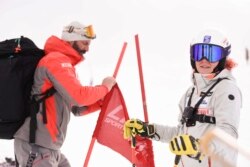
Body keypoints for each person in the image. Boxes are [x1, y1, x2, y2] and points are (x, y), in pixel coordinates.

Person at [123, 29, 242, 167]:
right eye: (199, 53)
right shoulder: (190, 93)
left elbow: (228, 133)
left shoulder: (226, 89)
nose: (204, 60)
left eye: (212, 54)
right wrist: (149, 129)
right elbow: (180, 134)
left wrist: (199, 146)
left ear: (222, 59)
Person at [14, 21, 116, 167]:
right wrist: (105, 87)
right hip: (35, 145)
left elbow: (77, 108)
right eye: (84, 43)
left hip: (50, 148)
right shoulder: (56, 60)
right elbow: (79, 97)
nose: (87, 49)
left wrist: (101, 102)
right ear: (72, 39)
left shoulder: (65, 65)